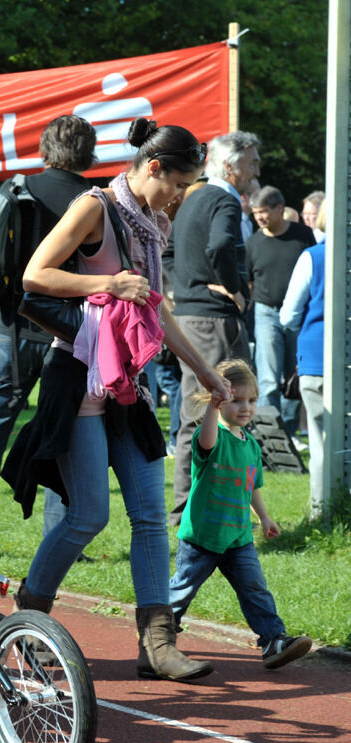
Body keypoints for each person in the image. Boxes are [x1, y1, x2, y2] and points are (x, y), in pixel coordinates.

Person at [5, 119, 231, 682]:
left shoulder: (153, 223)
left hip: (129, 383)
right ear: (153, 167)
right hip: (79, 375)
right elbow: (34, 275)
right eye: (178, 184)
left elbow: (156, 309)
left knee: (151, 516)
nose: (179, 197)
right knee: (87, 515)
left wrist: (205, 371)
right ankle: (28, 623)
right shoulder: (95, 207)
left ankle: (157, 644)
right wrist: (105, 284)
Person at [0, 115, 96, 551]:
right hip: (70, 330)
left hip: (9, 328)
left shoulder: (12, 191)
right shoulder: (94, 202)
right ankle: (59, 537)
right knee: (61, 431)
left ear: (44, 149)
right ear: (89, 154)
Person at [169, 359, 312, 670]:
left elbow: (251, 487)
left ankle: (274, 640)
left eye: (251, 400)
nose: (245, 407)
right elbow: (206, 442)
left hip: (238, 537)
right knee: (181, 591)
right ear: (218, 401)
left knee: (255, 589)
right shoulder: (213, 437)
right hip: (202, 538)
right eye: (236, 400)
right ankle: (158, 636)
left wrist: (265, 517)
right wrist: (213, 408)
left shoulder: (251, 447)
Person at [168, 131, 261, 528]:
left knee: (197, 412)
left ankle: (185, 509)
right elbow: (222, 247)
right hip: (214, 320)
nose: (257, 170)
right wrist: (235, 289)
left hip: (188, 318)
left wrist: (182, 289)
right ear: (231, 166)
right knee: (226, 411)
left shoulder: (192, 198)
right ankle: (204, 509)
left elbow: (168, 253)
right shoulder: (223, 199)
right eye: (253, 162)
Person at [246, 186, 316, 434]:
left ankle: (288, 432)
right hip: (265, 313)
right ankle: (270, 437)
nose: (260, 218)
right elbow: (250, 282)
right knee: (267, 379)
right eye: (255, 213)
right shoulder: (254, 242)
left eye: (264, 211)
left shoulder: (303, 235)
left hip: (299, 315)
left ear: (279, 208)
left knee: (293, 376)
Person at [280, 201, 327, 513]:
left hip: (316, 357)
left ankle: (322, 512)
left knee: (321, 442)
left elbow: (288, 315)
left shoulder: (312, 257)